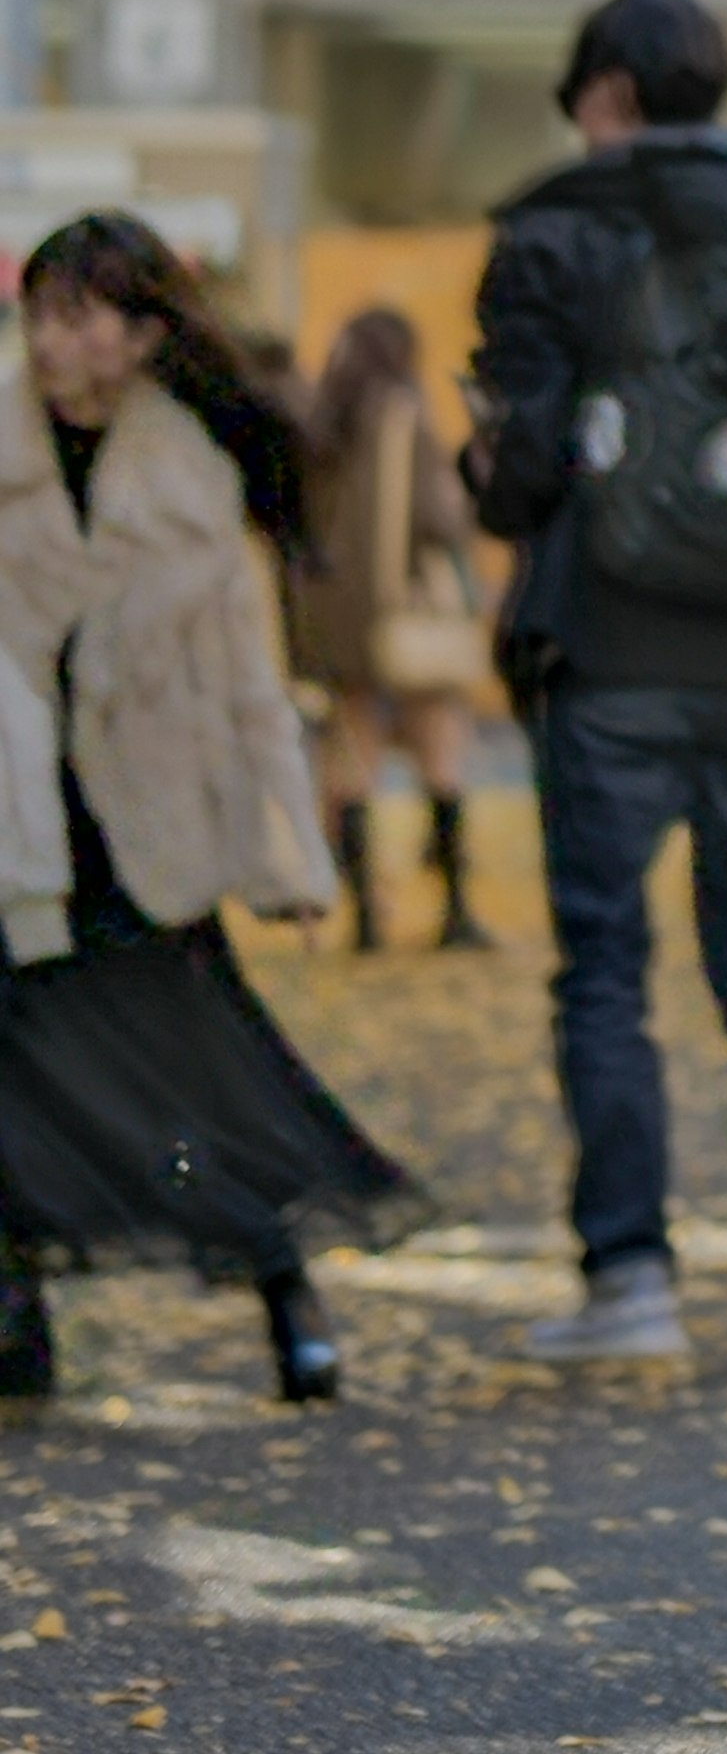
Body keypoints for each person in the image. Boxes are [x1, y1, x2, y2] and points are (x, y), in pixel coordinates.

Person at [476, 0, 727, 1371]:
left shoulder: (553, 230)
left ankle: (631, 1273)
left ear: (603, 97)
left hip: (609, 651)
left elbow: (521, 468)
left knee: (605, 964)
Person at [0, 217, 413, 1402]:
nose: (51, 338)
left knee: (187, 1084)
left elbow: (249, 689)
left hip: (141, 825)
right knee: (11, 1068)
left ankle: (279, 1276)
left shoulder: (194, 476)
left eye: (80, 313)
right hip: (19, 818)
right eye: (40, 310)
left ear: (140, 334)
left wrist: (292, 855)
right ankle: (16, 1309)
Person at [291, 305, 495, 957]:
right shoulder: (405, 413)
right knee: (440, 753)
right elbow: (436, 515)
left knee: (352, 762)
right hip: (407, 613)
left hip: (340, 622)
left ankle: (365, 918)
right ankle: (455, 910)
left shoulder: (319, 422)